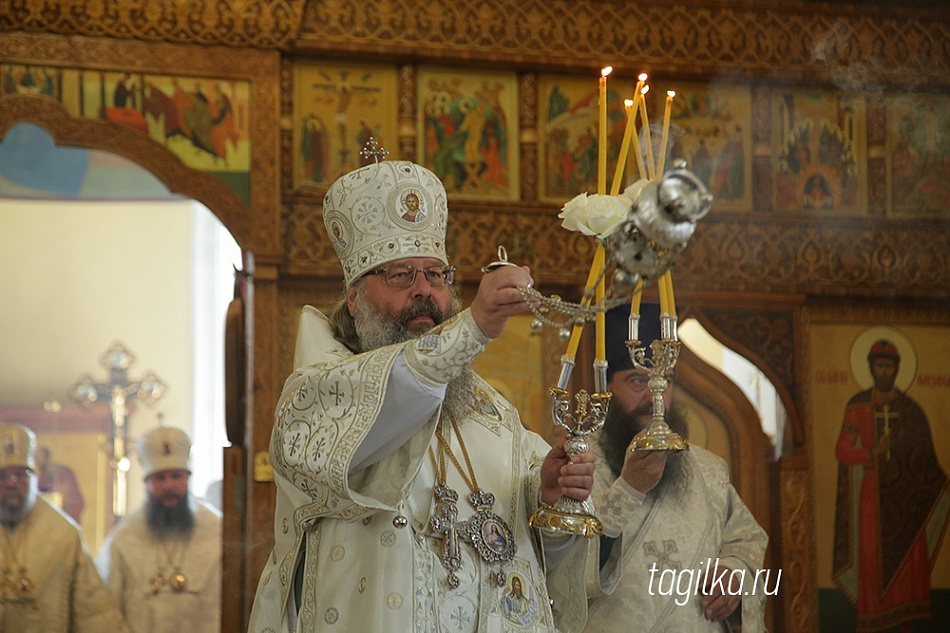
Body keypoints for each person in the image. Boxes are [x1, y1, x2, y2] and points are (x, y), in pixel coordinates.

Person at [248, 155, 595, 632]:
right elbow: (386, 396)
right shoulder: (317, 400)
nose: (424, 290)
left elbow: (544, 560)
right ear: (354, 297)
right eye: (399, 274)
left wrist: (551, 496)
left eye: (436, 274)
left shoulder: (494, 414)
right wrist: (474, 327)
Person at [585, 304, 769, 632]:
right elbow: (563, 572)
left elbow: (747, 538)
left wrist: (734, 573)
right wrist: (628, 489)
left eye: (664, 381)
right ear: (606, 389)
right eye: (638, 380)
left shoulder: (710, 471)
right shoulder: (578, 467)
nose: (655, 398)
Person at [833, 339, 950, 631]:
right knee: (872, 561)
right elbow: (842, 451)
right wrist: (872, 452)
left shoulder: (910, 409)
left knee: (908, 563)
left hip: (906, 496)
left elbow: (925, 459)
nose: (884, 371)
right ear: (871, 369)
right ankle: (872, 621)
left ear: (896, 370)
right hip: (873, 492)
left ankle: (904, 624)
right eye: (879, 366)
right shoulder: (857, 405)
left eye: (888, 366)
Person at [0, 421, 129, 632]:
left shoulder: (64, 534)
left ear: (34, 479)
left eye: (20, 475)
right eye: (2, 476)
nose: (11, 483)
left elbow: (94, 612)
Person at [96, 425, 222, 633]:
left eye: (176, 476)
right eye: (160, 478)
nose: (169, 486)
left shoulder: (218, 531)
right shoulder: (123, 539)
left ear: (188, 479)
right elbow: (105, 613)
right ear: (147, 483)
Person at [35, 445, 85, 522]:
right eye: (36, 458)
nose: (40, 461)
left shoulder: (63, 474)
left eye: (41, 457)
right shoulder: (33, 477)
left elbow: (76, 502)